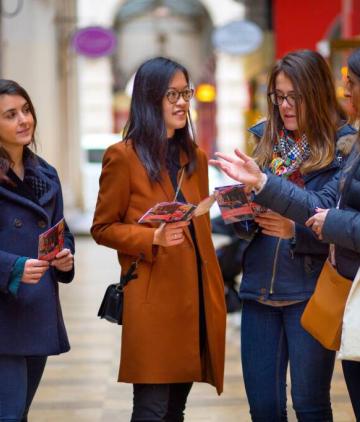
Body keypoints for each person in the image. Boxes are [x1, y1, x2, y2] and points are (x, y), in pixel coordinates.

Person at [210, 48, 360, 421]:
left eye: (296, 97)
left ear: (317, 94)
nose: (286, 106)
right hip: (259, 290)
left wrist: (293, 229)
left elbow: (323, 212)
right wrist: (242, 209)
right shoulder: (266, 142)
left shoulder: (342, 148)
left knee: (310, 405)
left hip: (309, 293)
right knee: (263, 408)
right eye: (279, 97)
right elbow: (247, 227)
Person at [91, 57, 226, 422]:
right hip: (152, 300)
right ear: (150, 99)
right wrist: (153, 237)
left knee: (175, 410)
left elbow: (197, 222)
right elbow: (102, 228)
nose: (183, 102)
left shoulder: (193, 157)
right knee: (151, 409)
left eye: (186, 92)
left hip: (194, 297)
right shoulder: (122, 157)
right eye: (172, 94)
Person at [0, 79, 75, 421]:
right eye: (10, 114)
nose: (24, 120)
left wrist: (64, 256)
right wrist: (12, 267)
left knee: (20, 412)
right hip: (4, 308)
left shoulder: (46, 174)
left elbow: (62, 230)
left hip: (35, 309)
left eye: (26, 110)